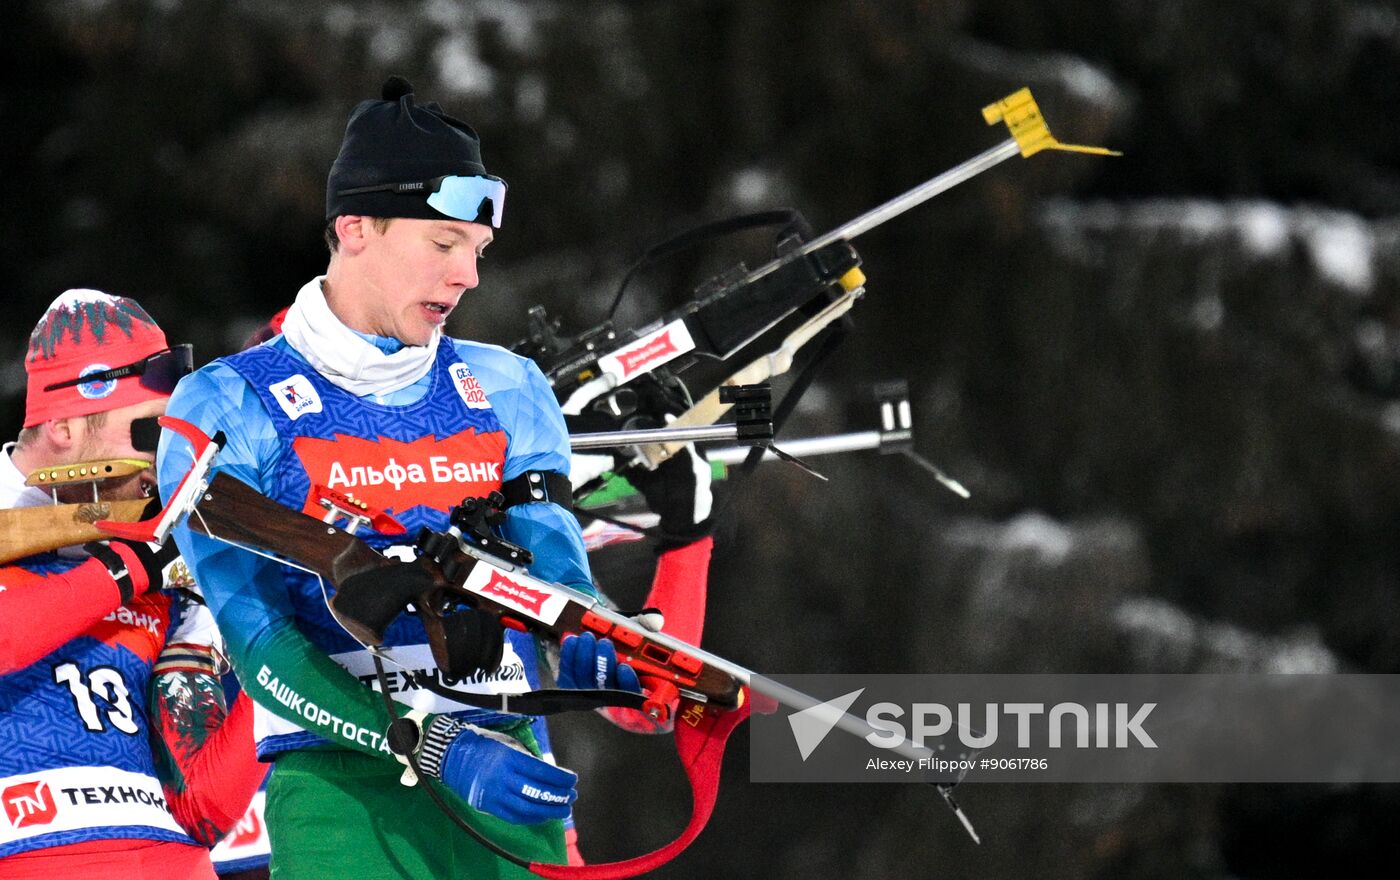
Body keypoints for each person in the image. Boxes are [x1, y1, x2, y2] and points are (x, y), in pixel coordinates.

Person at [158, 77, 637, 879]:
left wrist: (593, 640)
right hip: (345, 797)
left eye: (478, 251)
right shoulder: (227, 403)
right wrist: (427, 740)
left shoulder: (509, 387)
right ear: (355, 227)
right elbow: (261, 648)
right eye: (444, 244)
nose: (467, 276)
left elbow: (561, 578)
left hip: (506, 776)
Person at [0, 290, 265, 879]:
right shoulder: (147, 554)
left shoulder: (171, 556)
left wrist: (277, 647)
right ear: (64, 426)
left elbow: (205, 809)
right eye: (147, 432)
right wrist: (132, 567)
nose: (161, 460)